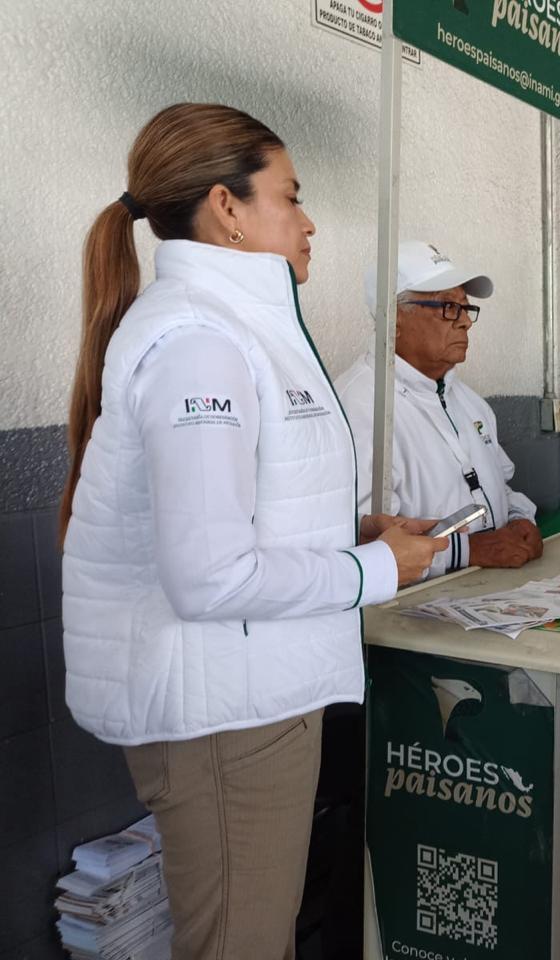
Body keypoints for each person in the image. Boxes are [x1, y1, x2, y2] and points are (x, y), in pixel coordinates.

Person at [59, 103, 445, 960]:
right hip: (224, 720)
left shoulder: (231, 330)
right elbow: (209, 577)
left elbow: (235, 512)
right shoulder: (201, 342)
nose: (310, 223)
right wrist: (372, 569)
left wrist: (351, 530)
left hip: (252, 696)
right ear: (227, 209)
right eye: (291, 196)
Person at [337, 241, 543, 573]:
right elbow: (357, 538)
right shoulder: (360, 407)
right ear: (394, 318)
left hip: (489, 592)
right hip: (408, 613)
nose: (465, 322)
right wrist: (466, 551)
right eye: (449, 307)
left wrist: (520, 519)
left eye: (465, 308)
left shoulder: (469, 402)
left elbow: (500, 486)